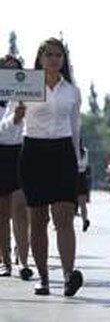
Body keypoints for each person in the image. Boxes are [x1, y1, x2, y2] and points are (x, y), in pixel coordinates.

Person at [19, 38, 83, 296]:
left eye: (59, 55)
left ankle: (69, 275)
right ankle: (44, 277)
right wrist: (16, 116)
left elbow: (76, 127)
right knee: (38, 218)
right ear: (40, 58)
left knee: (64, 217)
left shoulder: (72, 90)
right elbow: (10, 124)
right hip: (34, 152)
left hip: (63, 153)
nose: (54, 59)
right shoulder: (26, 85)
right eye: (49, 54)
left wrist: (78, 163)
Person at [0, 54, 33, 280]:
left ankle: (23, 260)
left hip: (22, 152)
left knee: (20, 209)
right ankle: (4, 261)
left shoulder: (29, 94)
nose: (11, 74)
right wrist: (13, 118)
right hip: (1, 152)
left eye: (16, 69)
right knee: (2, 214)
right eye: (6, 70)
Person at [76, 142, 91, 231]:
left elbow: (83, 164)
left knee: (82, 203)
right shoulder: (83, 151)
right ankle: (84, 220)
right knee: (77, 203)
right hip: (78, 175)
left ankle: (85, 220)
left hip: (79, 176)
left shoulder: (84, 151)